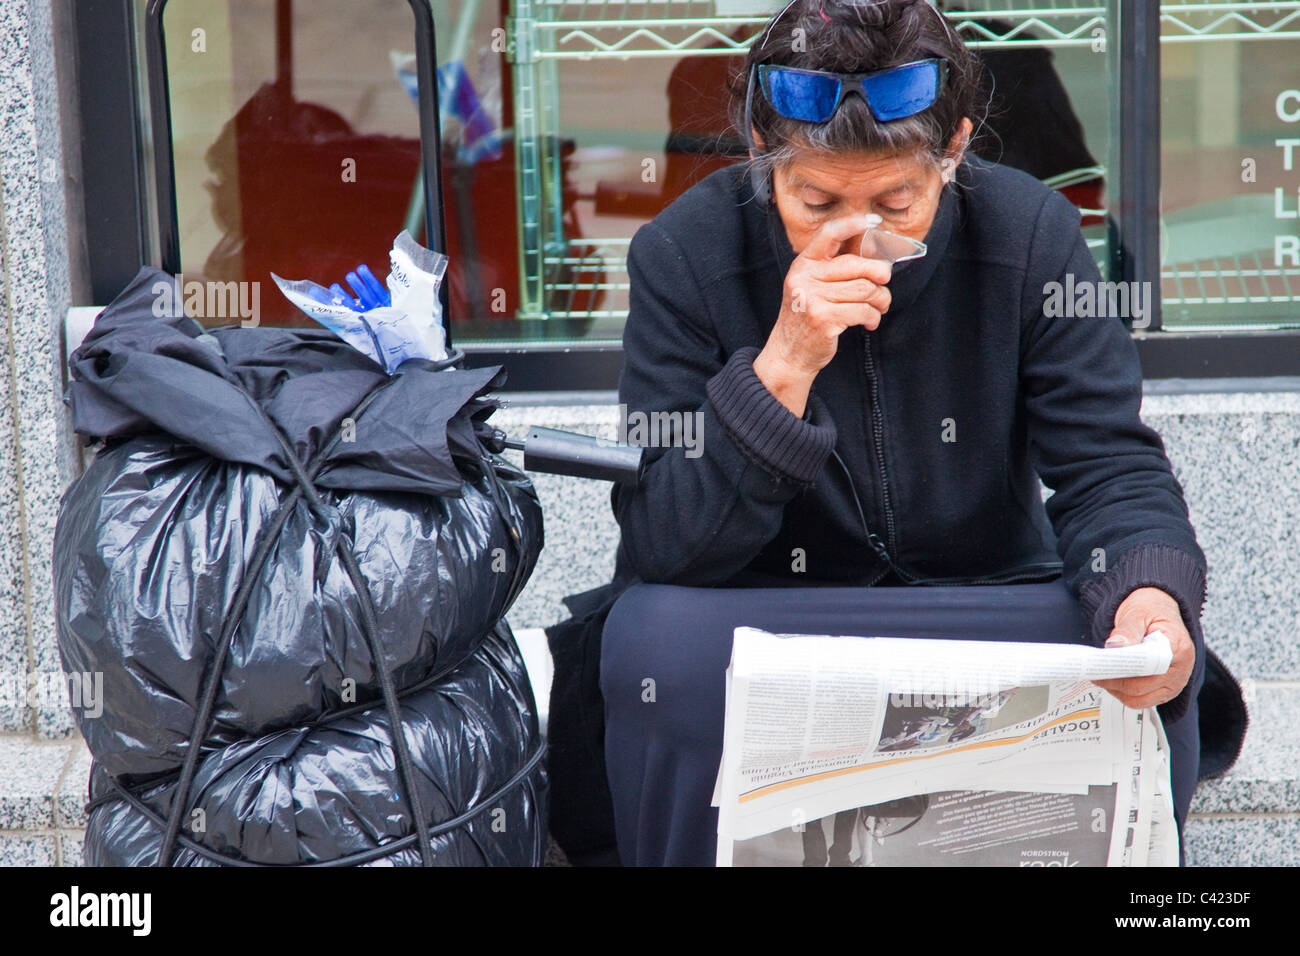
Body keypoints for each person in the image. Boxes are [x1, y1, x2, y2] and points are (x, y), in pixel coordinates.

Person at [545, 0, 1219, 867]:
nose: (856, 233)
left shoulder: (1032, 233)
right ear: (761, 151)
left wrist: (1146, 594)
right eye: (814, 199)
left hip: (987, 597)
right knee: (652, 643)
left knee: (1156, 658)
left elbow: (1108, 463)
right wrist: (782, 366)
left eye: (898, 200)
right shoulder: (684, 252)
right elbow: (666, 540)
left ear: (956, 151)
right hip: (768, 613)